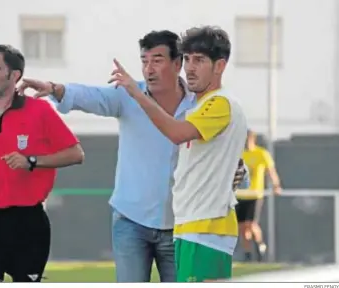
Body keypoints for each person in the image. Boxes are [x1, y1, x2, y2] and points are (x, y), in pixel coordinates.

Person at [18, 30, 249, 283]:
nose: (149, 69)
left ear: (176, 63)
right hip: (132, 221)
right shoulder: (127, 95)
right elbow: (89, 96)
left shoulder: (204, 103)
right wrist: (54, 88)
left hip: (183, 225)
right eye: (144, 61)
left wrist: (239, 169)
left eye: (157, 60)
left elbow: (218, 149)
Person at [107, 26, 248, 282]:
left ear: (220, 66)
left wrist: (138, 94)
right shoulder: (202, 105)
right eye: (189, 59)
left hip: (207, 227)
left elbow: (176, 132)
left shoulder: (221, 102)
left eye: (200, 60)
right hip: (190, 226)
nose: (190, 68)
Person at [0, 44, 85, 282]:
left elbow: (76, 154)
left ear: (14, 75)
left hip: (28, 222)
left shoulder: (40, 111)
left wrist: (32, 161)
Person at [236, 130, 282, 262]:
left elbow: (271, 171)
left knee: (251, 224)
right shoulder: (238, 154)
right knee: (243, 228)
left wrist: (276, 185)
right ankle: (248, 254)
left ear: (252, 140)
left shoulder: (261, 154)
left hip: (254, 194)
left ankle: (260, 245)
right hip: (239, 195)